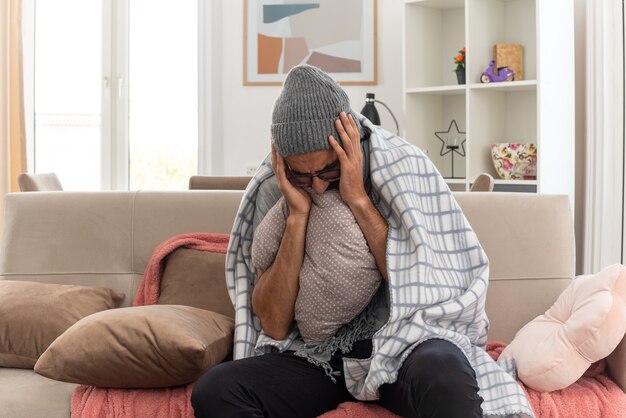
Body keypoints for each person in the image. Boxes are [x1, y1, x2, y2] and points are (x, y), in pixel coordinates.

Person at [191, 65, 534, 418]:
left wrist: (357, 198)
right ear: (280, 158)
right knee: (216, 391)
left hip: (403, 344)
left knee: (445, 373)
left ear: (349, 141)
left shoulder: (399, 168)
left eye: (327, 170)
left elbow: (419, 283)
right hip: (315, 357)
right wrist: (296, 218)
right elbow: (275, 325)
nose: (319, 185)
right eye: (302, 175)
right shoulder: (274, 188)